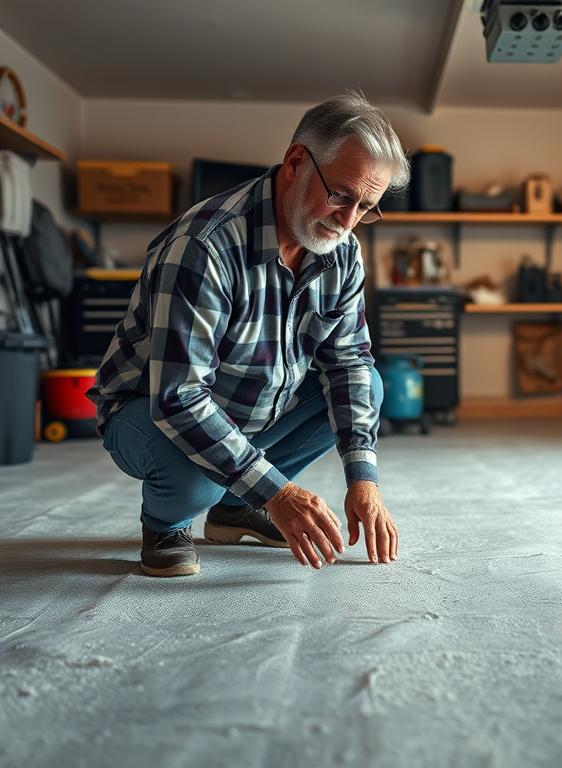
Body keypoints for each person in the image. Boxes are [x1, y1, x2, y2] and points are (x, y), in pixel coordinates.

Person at [87, 91, 407, 577]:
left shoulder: (342, 250)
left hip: (250, 411)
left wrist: (364, 478)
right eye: (341, 195)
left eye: (366, 207)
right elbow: (177, 397)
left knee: (369, 384)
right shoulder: (204, 246)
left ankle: (235, 509)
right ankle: (166, 523)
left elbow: (349, 363)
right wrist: (279, 492)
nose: (347, 222)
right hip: (149, 411)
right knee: (195, 484)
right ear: (296, 161)